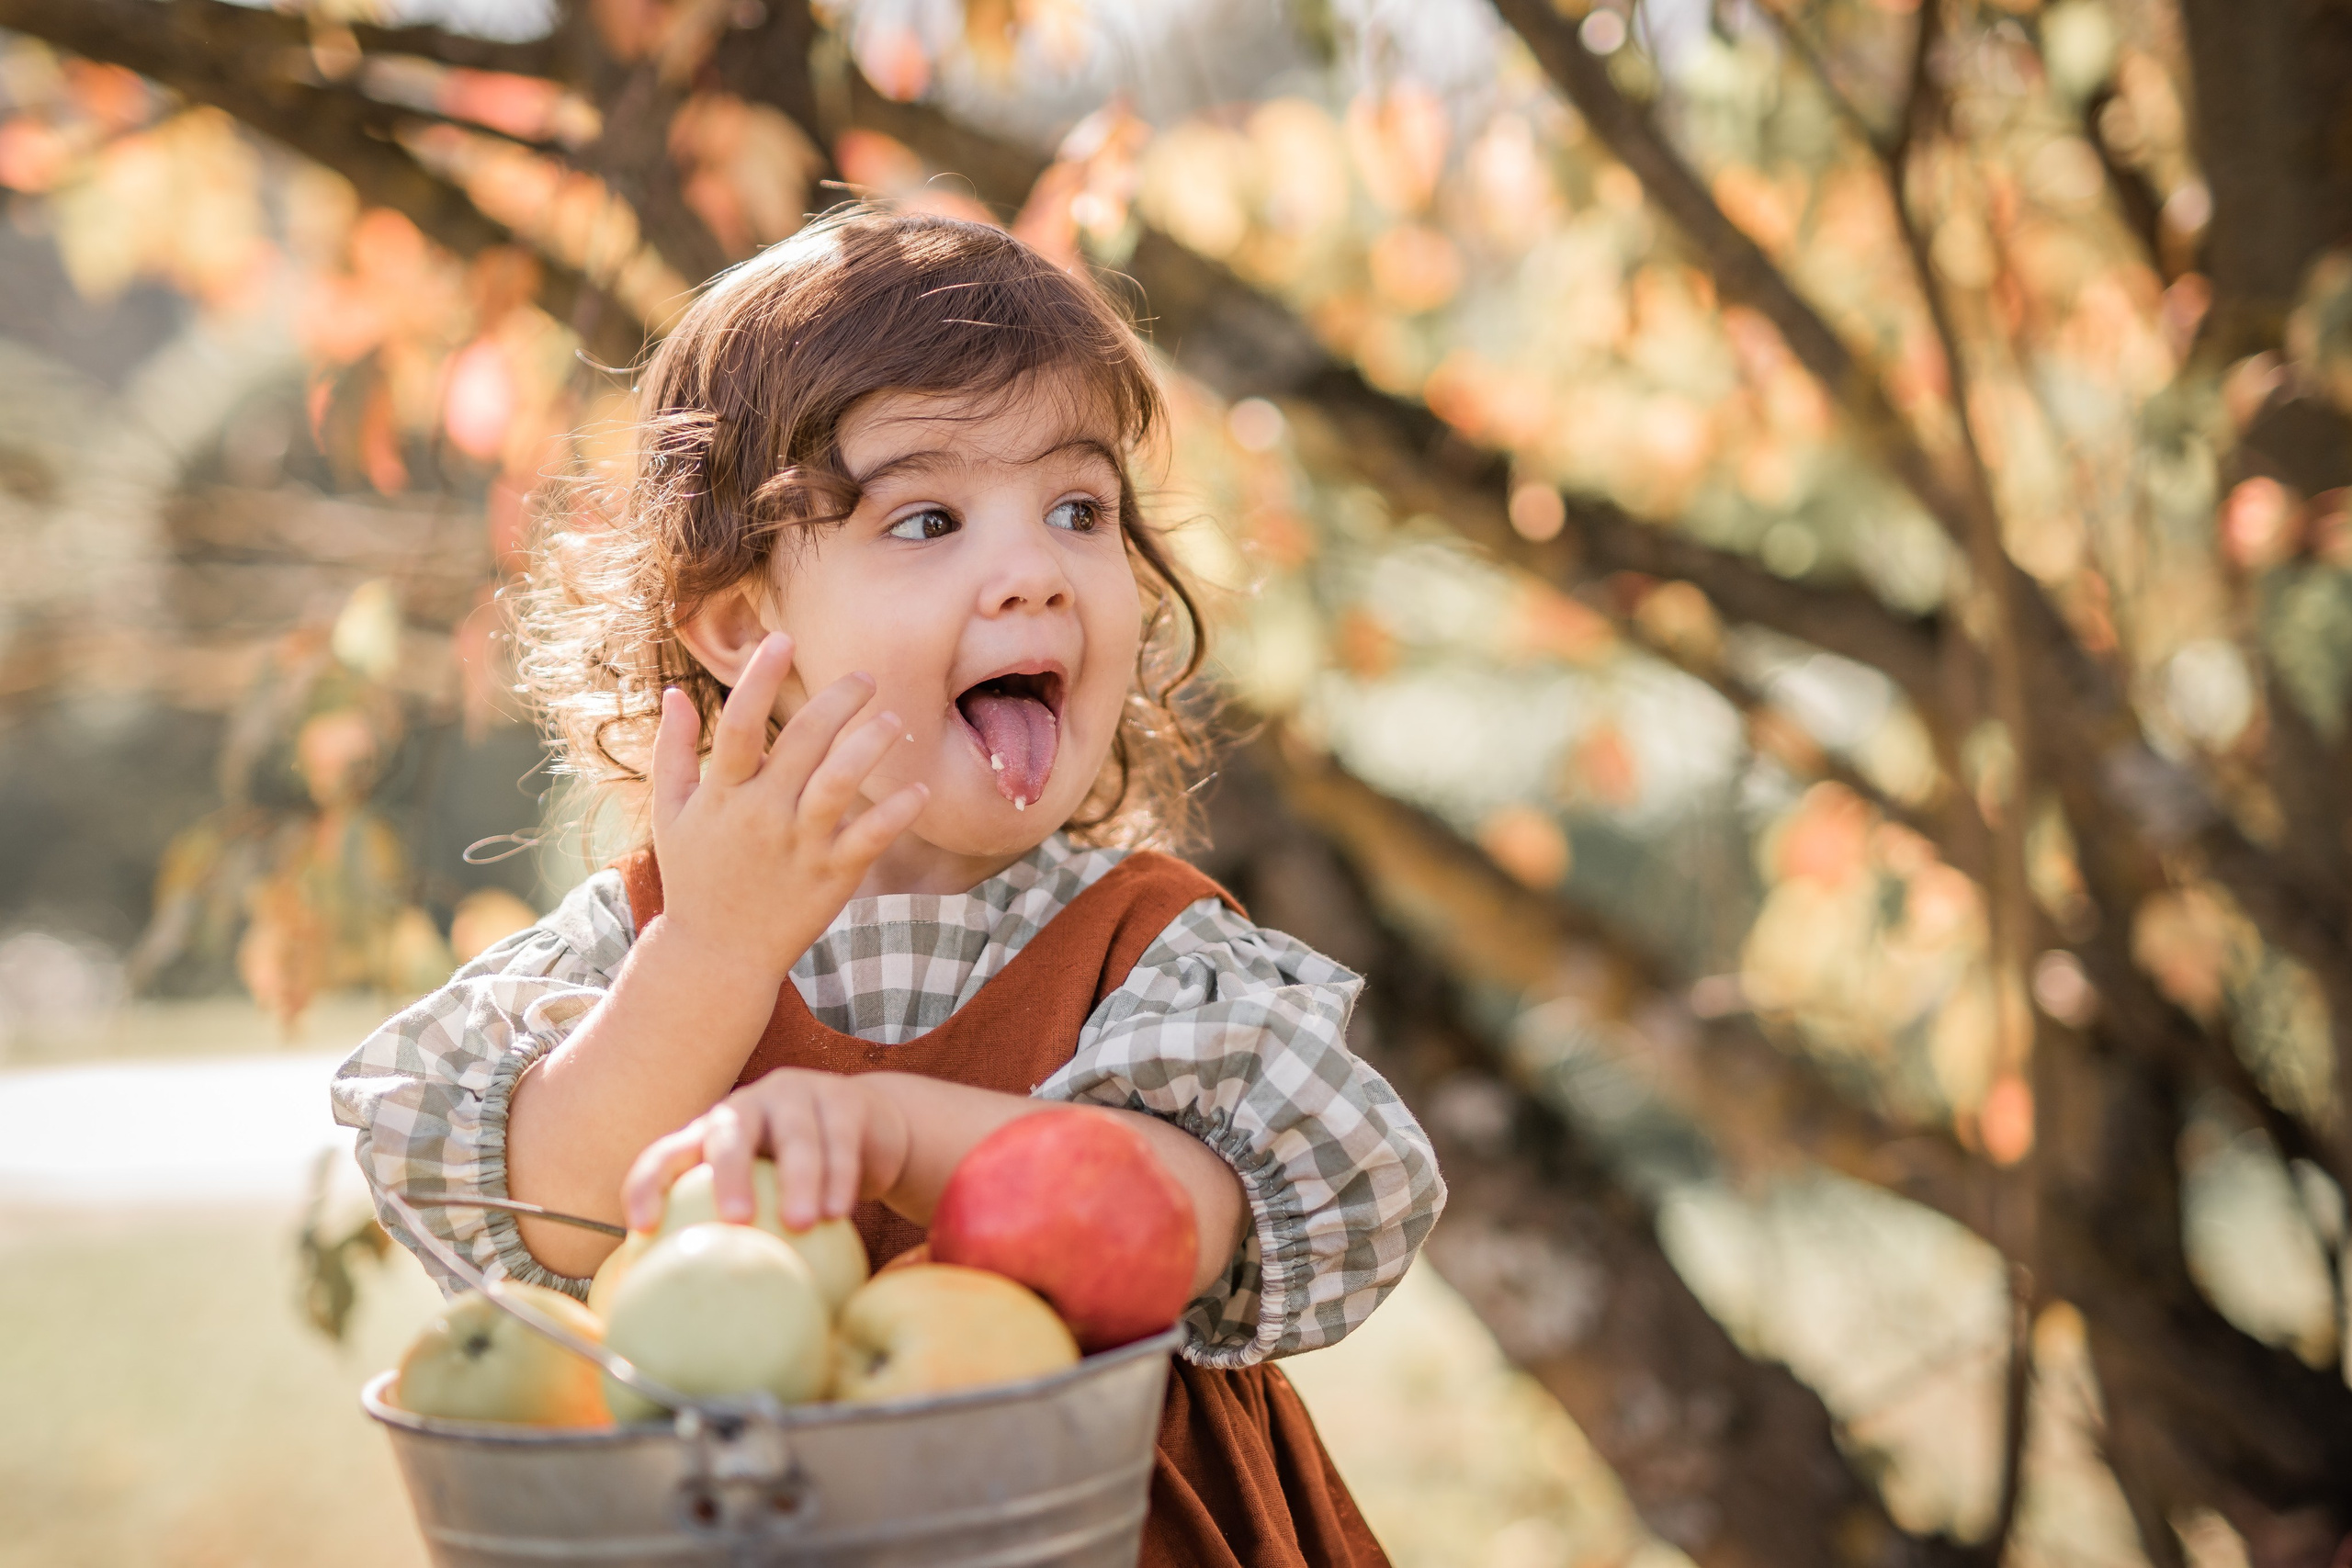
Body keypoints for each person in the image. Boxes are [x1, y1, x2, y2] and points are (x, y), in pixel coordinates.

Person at [332, 206, 1444, 1567]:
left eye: (1079, 509)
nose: (1034, 572)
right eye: (928, 518)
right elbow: (544, 1217)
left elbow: (1184, 1220)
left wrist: (892, 1132)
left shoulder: (1150, 954)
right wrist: (714, 957)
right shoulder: (652, 937)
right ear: (749, 627)